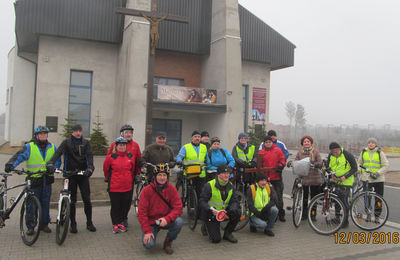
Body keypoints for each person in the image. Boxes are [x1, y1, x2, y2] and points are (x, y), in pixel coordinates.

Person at [5, 126, 61, 234]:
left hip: (47, 179)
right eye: (41, 134)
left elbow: (58, 160)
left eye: (45, 134)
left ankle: (44, 224)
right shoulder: (30, 146)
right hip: (34, 179)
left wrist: (54, 168)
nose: (43, 135)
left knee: (45, 203)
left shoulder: (52, 147)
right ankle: (31, 226)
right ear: (36, 135)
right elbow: (19, 156)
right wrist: (11, 164)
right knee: (32, 204)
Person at [46, 124, 96, 233]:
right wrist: (51, 163)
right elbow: (57, 153)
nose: (78, 133)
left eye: (80, 131)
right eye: (76, 131)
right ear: (72, 132)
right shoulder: (66, 142)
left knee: (87, 200)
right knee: (72, 201)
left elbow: (90, 157)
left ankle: (89, 222)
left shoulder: (86, 143)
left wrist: (90, 168)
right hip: (70, 175)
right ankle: (73, 224)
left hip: (83, 175)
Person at [137, 164, 183, 254]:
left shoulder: (172, 189)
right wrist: (147, 231)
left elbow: (178, 208)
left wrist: (167, 218)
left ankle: (168, 242)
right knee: (148, 245)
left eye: (164, 175)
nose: (162, 178)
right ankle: (153, 232)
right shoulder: (147, 190)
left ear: (167, 177)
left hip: (165, 220)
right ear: (155, 176)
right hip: (151, 222)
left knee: (179, 222)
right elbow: (141, 213)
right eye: (159, 175)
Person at [108, 124, 141, 227]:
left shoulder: (135, 145)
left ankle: (124, 218)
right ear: (122, 133)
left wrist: (137, 174)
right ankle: (117, 221)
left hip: (129, 178)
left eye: (130, 132)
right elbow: (109, 160)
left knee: (127, 201)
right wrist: (109, 176)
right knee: (117, 202)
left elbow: (138, 160)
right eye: (126, 132)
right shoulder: (115, 143)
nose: (129, 134)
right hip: (116, 179)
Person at [199, 164, 240, 243]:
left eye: (228, 173)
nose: (227, 175)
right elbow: (202, 201)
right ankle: (206, 225)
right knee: (216, 240)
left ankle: (228, 233)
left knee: (237, 212)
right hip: (211, 214)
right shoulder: (209, 185)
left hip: (224, 213)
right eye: (224, 173)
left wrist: (229, 212)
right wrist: (211, 210)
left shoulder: (231, 186)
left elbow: (235, 201)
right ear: (218, 174)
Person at [103, 137, 136, 234]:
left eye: (124, 145)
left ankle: (121, 222)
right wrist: (110, 179)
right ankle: (115, 224)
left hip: (127, 187)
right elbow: (106, 170)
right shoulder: (111, 157)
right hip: (115, 187)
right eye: (120, 145)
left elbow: (132, 170)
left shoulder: (130, 157)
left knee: (125, 206)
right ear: (116, 146)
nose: (122, 147)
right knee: (115, 206)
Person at [327, 142, 357, 228]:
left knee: (344, 201)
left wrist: (345, 176)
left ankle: (345, 221)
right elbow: (328, 166)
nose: (335, 154)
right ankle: (337, 218)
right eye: (333, 152)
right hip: (336, 181)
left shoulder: (347, 155)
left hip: (346, 182)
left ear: (340, 150)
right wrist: (331, 174)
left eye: (336, 152)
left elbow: (354, 168)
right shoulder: (331, 155)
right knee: (337, 200)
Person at [294, 136, 323, 220]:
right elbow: (296, 161)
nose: (306, 143)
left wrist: (317, 164)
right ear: (302, 144)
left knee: (314, 198)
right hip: (304, 178)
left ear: (311, 143)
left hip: (314, 178)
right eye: (305, 142)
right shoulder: (299, 153)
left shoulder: (316, 152)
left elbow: (320, 162)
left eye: (308, 142)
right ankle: (304, 214)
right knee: (304, 198)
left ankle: (313, 214)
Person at [259, 135, 286, 222]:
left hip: (276, 177)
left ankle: (281, 214)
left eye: (269, 142)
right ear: (264, 143)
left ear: (272, 143)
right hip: (266, 178)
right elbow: (259, 164)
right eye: (266, 142)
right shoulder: (261, 153)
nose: (268, 144)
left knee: (278, 197)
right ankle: (270, 215)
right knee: (268, 197)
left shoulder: (278, 150)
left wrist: (281, 166)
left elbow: (283, 159)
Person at [176, 131, 207, 197]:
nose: (197, 138)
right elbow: (179, 156)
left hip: (201, 173)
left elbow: (207, 158)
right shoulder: (186, 147)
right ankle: (191, 205)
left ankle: (200, 206)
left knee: (201, 191)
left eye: (199, 137)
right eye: (195, 137)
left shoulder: (204, 147)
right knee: (190, 190)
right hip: (190, 172)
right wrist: (179, 161)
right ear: (192, 138)